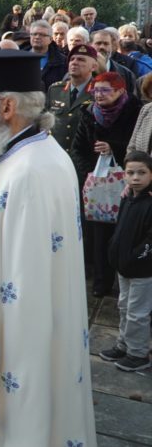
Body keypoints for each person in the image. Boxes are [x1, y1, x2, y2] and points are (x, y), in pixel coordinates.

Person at [0, 48, 95, 446]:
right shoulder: (35, 153)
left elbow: (16, 280)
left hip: (20, 341)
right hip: (36, 327)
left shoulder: (26, 170)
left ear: (7, 106)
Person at [70, 71, 140, 297]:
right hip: (98, 189)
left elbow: (139, 147)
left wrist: (114, 149)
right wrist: (90, 175)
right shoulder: (90, 113)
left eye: (104, 90)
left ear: (120, 91)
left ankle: (124, 284)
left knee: (125, 234)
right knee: (98, 236)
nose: (98, 95)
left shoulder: (136, 112)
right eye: (95, 90)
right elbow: (78, 149)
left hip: (129, 184)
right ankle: (101, 283)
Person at [99, 150, 152, 372]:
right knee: (123, 306)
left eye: (142, 172)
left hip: (142, 269)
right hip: (124, 266)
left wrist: (136, 257)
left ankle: (138, 353)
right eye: (130, 173)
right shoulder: (128, 197)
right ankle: (124, 344)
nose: (136, 178)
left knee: (137, 312)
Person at [46, 44, 98, 151]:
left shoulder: (98, 91)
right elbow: (45, 123)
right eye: (72, 59)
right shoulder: (55, 89)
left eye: (81, 60)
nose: (74, 62)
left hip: (84, 155)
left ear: (93, 67)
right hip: (57, 153)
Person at [28, 19, 67, 90]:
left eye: (42, 35)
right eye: (34, 34)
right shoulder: (20, 58)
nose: (37, 37)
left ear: (50, 39)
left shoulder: (62, 61)